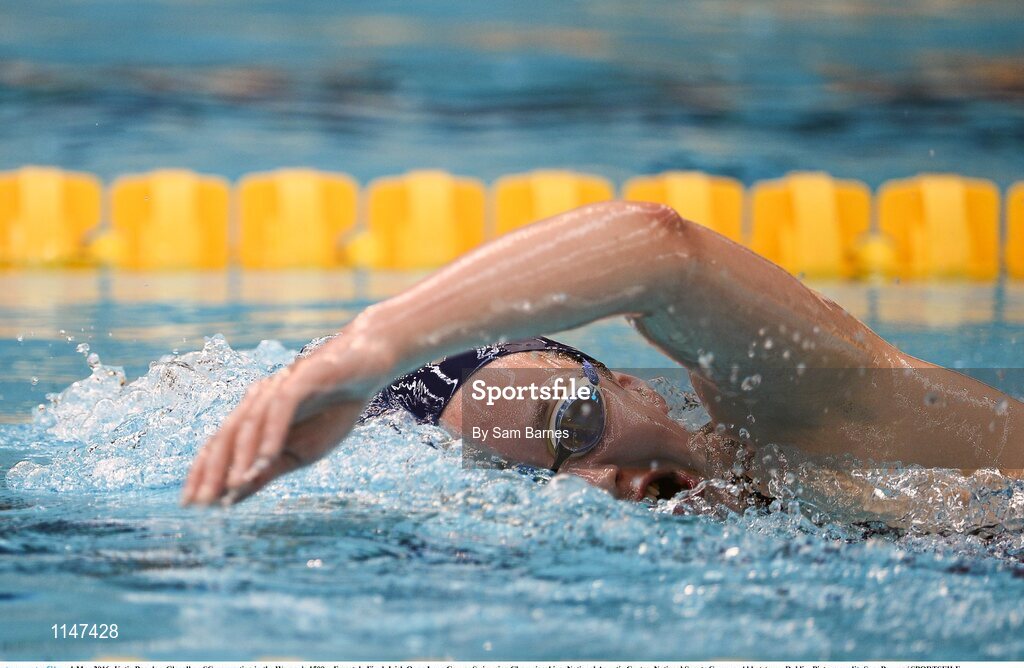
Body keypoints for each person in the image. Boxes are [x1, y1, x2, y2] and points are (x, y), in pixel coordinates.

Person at [180, 201, 1024, 511]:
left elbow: (662, 251)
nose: (597, 480)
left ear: (631, 385)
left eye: (576, 422)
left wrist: (369, 350)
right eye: (535, 486)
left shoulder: (807, 412)